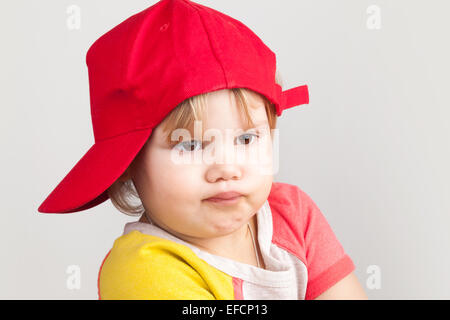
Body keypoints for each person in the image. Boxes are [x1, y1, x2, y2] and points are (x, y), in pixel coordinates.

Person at [38, 0, 367, 300]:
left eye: (246, 139)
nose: (226, 167)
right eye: (191, 144)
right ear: (129, 162)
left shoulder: (293, 214)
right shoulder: (143, 268)